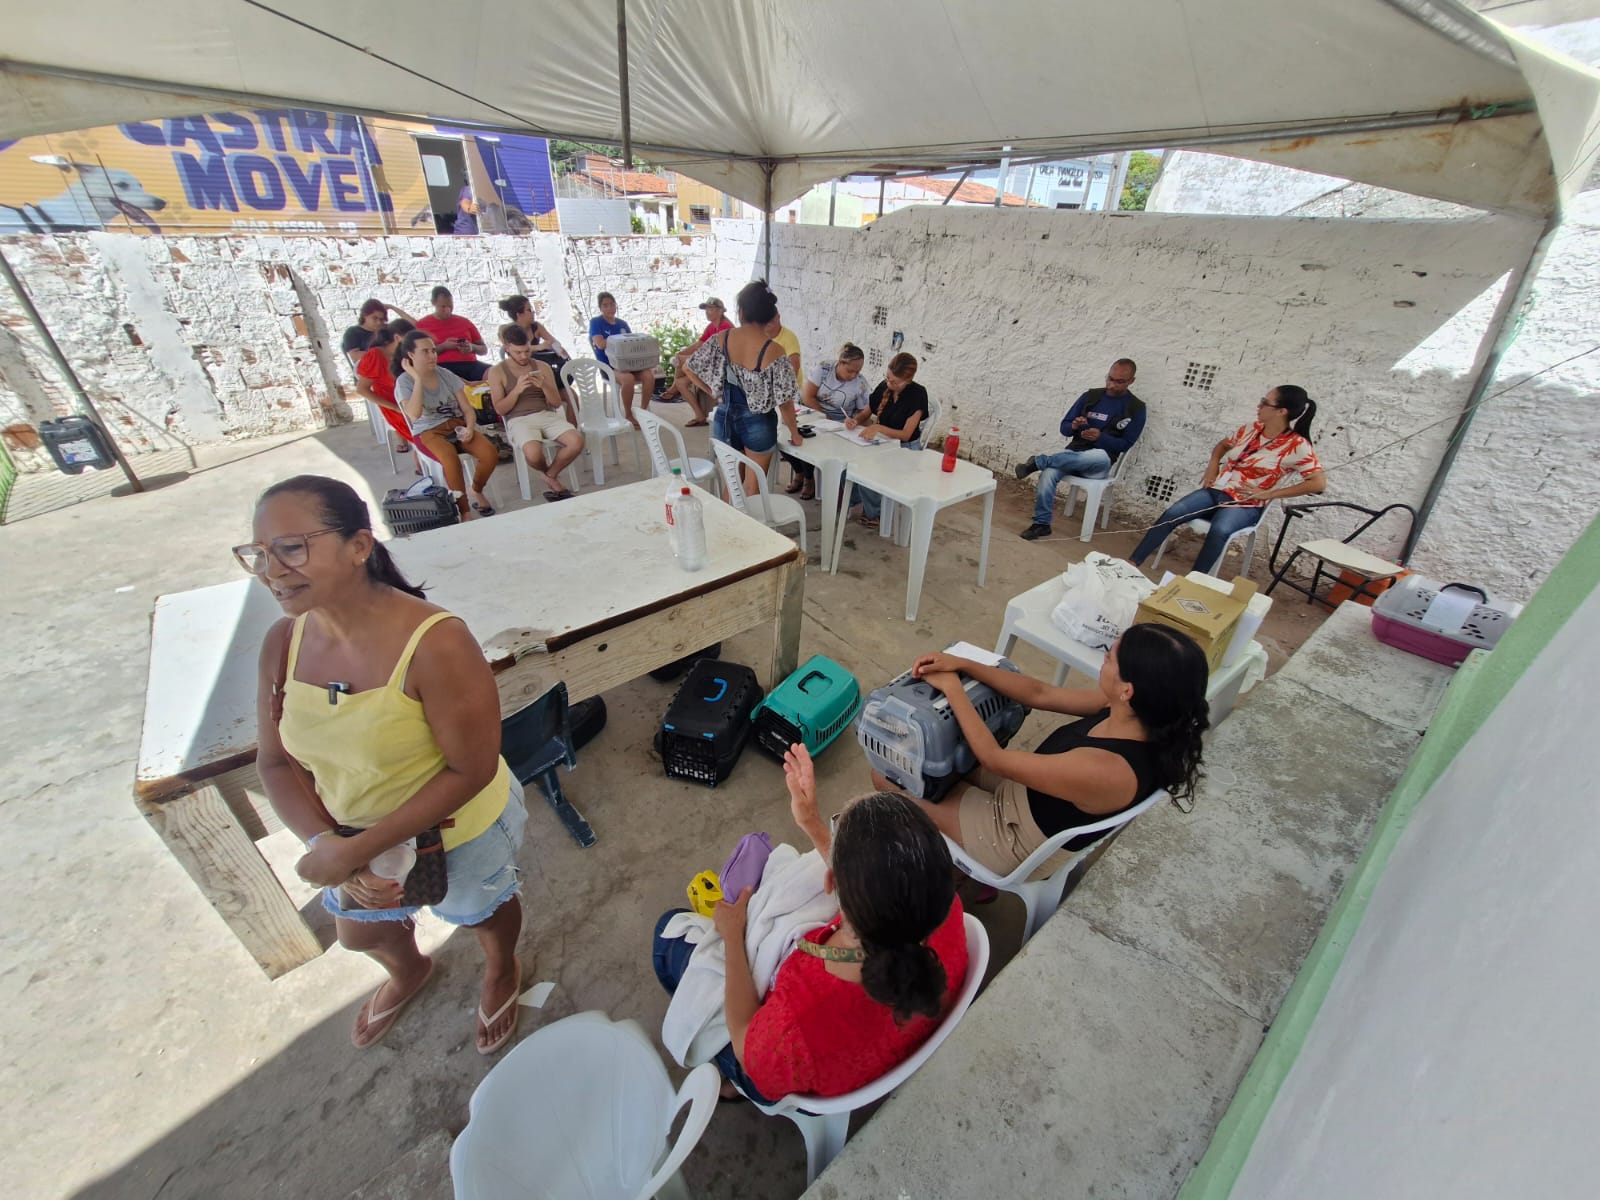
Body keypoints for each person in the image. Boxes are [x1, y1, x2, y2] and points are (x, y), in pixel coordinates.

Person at [243, 475, 526, 1053]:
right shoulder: (282, 643)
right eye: (259, 553)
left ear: (359, 546)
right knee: (359, 935)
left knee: (482, 914)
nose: (271, 570)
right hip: (351, 839)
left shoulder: (435, 642)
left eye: (292, 548)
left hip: (457, 831)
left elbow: (471, 770)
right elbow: (274, 763)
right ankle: (410, 970)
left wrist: (353, 853)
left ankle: (502, 968)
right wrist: (329, 843)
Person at [652, 743, 969, 1102]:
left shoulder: (797, 1021)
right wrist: (812, 822)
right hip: (889, 1053)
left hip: (790, 1073)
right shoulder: (942, 908)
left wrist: (732, 936)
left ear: (830, 882)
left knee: (666, 936)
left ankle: (732, 1086)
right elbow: (880, 886)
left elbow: (744, 1040)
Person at [891, 624, 1209, 879]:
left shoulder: (1109, 770)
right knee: (928, 761)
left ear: (1127, 690)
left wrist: (952, 687)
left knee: (891, 778)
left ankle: (946, 875)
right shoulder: (1140, 715)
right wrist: (964, 665)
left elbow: (994, 758)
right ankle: (957, 868)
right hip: (1026, 794)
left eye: (1112, 657)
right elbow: (1040, 693)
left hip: (1012, 839)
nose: (1105, 657)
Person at [1129, 385, 1326, 574]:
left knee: (1220, 530)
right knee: (1173, 513)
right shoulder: (1252, 428)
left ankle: (1192, 582)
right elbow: (1223, 445)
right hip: (1216, 491)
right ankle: (1132, 563)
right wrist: (1213, 465)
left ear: (1281, 411)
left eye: (1265, 402)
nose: (1259, 406)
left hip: (1245, 503)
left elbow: (1318, 484)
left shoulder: (1297, 445)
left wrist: (1270, 494)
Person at [679, 279, 804, 489]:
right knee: (752, 488)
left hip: (724, 418)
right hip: (759, 424)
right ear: (769, 314)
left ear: (742, 311)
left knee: (732, 487)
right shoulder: (775, 350)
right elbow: (785, 402)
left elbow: (688, 368)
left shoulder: (722, 337)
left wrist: (713, 391)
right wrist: (795, 433)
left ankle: (727, 513)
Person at [1016, 358, 1146, 540]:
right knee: (1049, 473)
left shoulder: (1136, 408)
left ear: (1131, 381)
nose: (1112, 385)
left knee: (1096, 455)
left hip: (1100, 462)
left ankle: (1038, 462)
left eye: (1119, 381)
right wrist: (1075, 426)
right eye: (1110, 378)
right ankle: (1041, 524)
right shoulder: (1091, 397)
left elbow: (1126, 444)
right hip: (1074, 453)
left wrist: (1101, 437)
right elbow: (1064, 428)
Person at [393, 330, 498, 518]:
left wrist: (470, 428)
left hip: (456, 424)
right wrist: (418, 379)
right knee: (451, 462)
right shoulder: (404, 382)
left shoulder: (445, 374)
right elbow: (414, 414)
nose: (432, 355)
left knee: (489, 453)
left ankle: (476, 489)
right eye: (425, 351)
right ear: (411, 355)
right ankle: (464, 511)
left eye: (433, 350)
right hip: (427, 431)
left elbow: (467, 410)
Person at [488, 323, 584, 502]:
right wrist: (517, 390)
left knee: (576, 441)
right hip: (518, 419)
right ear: (507, 348)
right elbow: (500, 409)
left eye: (527, 351)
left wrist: (544, 386)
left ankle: (550, 475)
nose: (524, 356)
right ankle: (550, 476)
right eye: (518, 352)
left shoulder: (542, 366)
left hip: (544, 413)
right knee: (534, 455)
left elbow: (556, 403)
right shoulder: (497, 371)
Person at [846, 352, 929, 528]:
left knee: (867, 472)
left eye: (895, 382)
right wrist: (855, 420)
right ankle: (856, 501)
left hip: (906, 450)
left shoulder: (917, 394)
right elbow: (867, 411)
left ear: (908, 380)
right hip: (882, 444)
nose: (890, 384)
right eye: (888, 378)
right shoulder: (885, 386)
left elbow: (906, 434)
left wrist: (879, 428)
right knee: (848, 463)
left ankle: (875, 512)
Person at [784, 343, 871, 501]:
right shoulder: (824, 369)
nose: (853, 375)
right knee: (785, 438)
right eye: (850, 371)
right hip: (814, 415)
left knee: (811, 443)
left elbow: (864, 412)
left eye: (857, 371)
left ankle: (809, 478)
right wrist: (824, 417)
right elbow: (808, 396)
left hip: (840, 425)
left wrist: (855, 420)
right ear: (840, 363)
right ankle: (801, 472)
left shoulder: (860, 384)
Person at [498, 294, 575, 424]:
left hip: (544, 373)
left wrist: (560, 352)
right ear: (519, 314)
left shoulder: (536, 327)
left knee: (571, 395)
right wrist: (538, 347)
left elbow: (552, 341)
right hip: (524, 378)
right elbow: (510, 350)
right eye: (529, 310)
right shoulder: (507, 331)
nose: (533, 313)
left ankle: (573, 428)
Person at [662, 297, 733, 425]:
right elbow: (698, 345)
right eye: (706, 309)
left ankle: (673, 390)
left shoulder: (725, 326)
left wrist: (685, 357)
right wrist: (681, 353)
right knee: (681, 382)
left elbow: (718, 355)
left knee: (682, 362)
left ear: (720, 311)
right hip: (710, 364)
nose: (707, 312)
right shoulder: (711, 326)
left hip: (720, 366)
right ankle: (699, 416)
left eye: (711, 309)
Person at [588, 291, 654, 428]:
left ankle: (643, 411)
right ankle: (628, 414)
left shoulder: (622, 324)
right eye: (605, 305)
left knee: (649, 375)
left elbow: (631, 344)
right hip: (609, 366)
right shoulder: (596, 323)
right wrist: (619, 342)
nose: (610, 308)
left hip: (628, 364)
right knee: (628, 378)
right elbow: (600, 344)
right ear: (600, 308)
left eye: (612, 304)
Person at [354, 318, 417, 456]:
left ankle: (423, 459)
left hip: (411, 399)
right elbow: (362, 389)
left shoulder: (404, 353)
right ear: (397, 338)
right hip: (393, 405)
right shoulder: (375, 355)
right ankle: (423, 459)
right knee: (425, 430)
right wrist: (395, 408)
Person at [416, 286, 489, 383]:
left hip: (470, 365)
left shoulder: (464, 322)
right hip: (441, 368)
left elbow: (484, 349)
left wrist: (471, 347)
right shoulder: (422, 325)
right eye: (443, 307)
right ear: (433, 303)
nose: (448, 310)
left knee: (495, 372)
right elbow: (419, 355)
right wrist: (444, 347)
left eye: (450, 306)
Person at [341, 298, 414, 369]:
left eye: (381, 319)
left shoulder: (387, 329)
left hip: (396, 366)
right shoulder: (353, 332)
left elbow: (413, 326)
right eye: (375, 318)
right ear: (365, 316)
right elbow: (355, 356)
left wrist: (393, 308)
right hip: (371, 368)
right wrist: (383, 354)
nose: (379, 322)